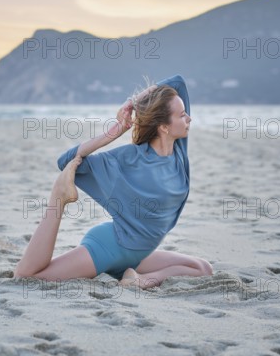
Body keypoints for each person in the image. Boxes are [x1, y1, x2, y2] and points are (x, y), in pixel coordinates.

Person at [14, 75, 213, 289]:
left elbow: (178, 82)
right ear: (164, 127)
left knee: (203, 269)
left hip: (140, 255)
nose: (189, 118)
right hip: (112, 247)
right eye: (182, 115)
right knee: (27, 277)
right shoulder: (130, 158)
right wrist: (113, 133)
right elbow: (66, 161)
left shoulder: (179, 151)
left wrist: (133, 102)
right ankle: (58, 198)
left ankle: (138, 281)